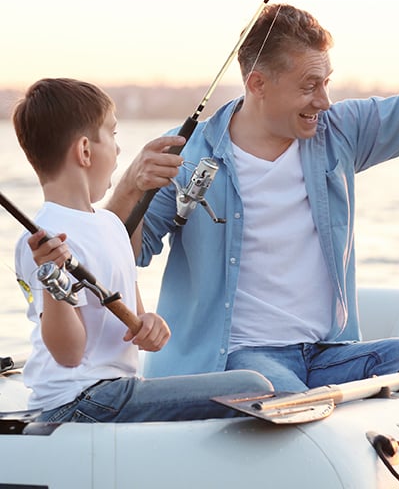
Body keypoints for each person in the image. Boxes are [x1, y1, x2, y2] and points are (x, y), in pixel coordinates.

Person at [107, 5, 399, 393]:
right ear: (258, 84)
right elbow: (120, 257)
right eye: (309, 86)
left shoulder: (337, 135)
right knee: (278, 393)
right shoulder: (187, 154)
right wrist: (129, 188)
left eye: (327, 82)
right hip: (236, 359)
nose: (324, 100)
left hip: (326, 354)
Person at [12, 78, 273, 422]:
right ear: (86, 150)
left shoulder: (110, 226)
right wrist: (51, 278)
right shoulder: (42, 242)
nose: (119, 150)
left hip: (117, 388)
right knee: (250, 385)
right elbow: (69, 354)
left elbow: (136, 323)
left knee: (253, 384)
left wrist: (150, 325)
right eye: (113, 134)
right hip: (75, 401)